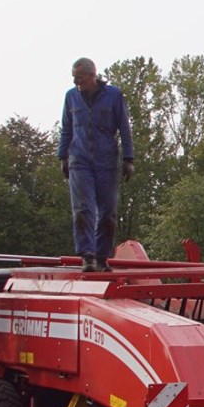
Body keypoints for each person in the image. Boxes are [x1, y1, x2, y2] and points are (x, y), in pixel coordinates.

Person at [58, 57, 134, 269]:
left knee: (108, 212)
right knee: (83, 208)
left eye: (80, 78)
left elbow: (124, 127)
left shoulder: (114, 95)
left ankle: (102, 256)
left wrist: (128, 158)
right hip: (79, 161)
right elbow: (66, 128)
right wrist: (62, 156)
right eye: (74, 78)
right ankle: (87, 255)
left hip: (107, 161)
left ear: (92, 75)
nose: (76, 83)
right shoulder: (71, 97)